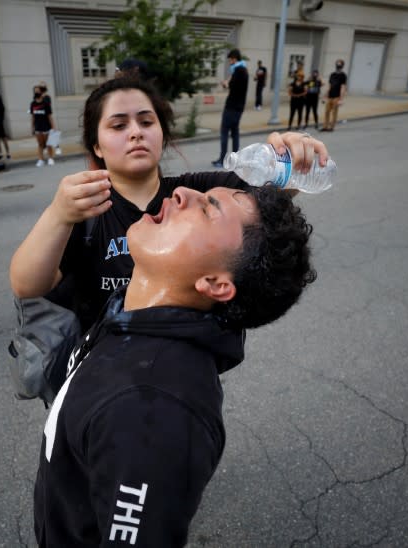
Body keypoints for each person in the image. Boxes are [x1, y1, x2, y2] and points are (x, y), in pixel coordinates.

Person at [33, 182, 316, 547]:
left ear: (214, 283)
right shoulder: (131, 310)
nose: (182, 192)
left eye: (207, 209)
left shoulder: (154, 407)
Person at [9, 75, 329, 335]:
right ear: (97, 145)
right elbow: (27, 286)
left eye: (146, 122)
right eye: (118, 125)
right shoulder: (83, 205)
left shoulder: (197, 191)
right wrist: (58, 215)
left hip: (176, 362)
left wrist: (293, 154)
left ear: (162, 133)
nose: (136, 133)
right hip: (100, 362)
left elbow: (269, 201)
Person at [212, 49, 248, 168]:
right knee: (235, 133)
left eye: (230, 60)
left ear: (234, 58)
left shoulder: (238, 71)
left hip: (231, 107)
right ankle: (235, 160)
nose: (230, 62)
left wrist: (226, 83)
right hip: (239, 107)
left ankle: (222, 159)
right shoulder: (244, 70)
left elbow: (233, 87)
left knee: (224, 132)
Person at [31, 85, 57, 167]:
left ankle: (50, 158)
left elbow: (50, 117)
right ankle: (41, 159)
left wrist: (53, 127)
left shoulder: (45, 103)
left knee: (48, 143)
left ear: (41, 92)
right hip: (38, 127)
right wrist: (32, 127)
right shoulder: (33, 104)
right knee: (40, 144)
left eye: (38, 91)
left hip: (46, 126)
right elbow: (32, 117)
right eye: (35, 91)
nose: (37, 92)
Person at [321, 59, 347, 132]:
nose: (338, 66)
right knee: (327, 111)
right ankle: (325, 126)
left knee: (334, 112)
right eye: (337, 64)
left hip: (337, 96)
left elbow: (343, 87)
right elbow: (329, 86)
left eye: (340, 64)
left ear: (342, 66)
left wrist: (341, 99)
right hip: (330, 96)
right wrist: (325, 95)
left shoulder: (343, 75)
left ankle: (331, 127)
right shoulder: (332, 74)